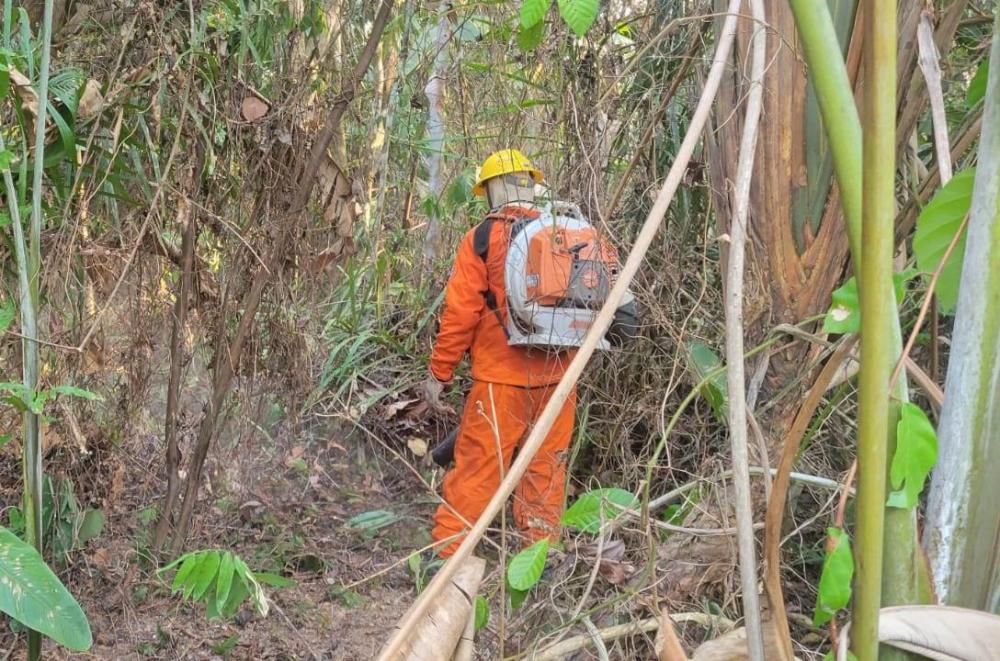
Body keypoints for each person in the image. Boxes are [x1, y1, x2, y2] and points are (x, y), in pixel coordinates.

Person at [422, 149, 638, 559]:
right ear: (530, 184)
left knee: (478, 469)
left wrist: (439, 374)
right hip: (559, 379)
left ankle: (448, 555)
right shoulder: (568, 230)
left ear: (492, 189)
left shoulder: (484, 237)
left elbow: (460, 314)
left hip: (500, 382)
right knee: (546, 469)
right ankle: (540, 557)